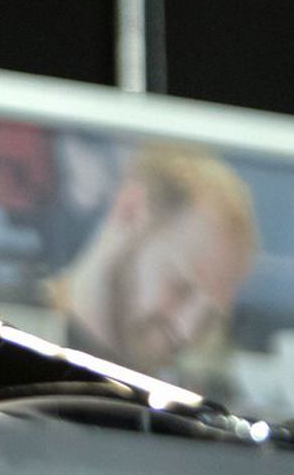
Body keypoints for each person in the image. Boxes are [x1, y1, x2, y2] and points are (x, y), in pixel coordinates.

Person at [46, 142, 258, 374]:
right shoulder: (21, 343)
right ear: (130, 210)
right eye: (181, 287)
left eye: (208, 318)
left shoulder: (169, 391)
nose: (185, 332)